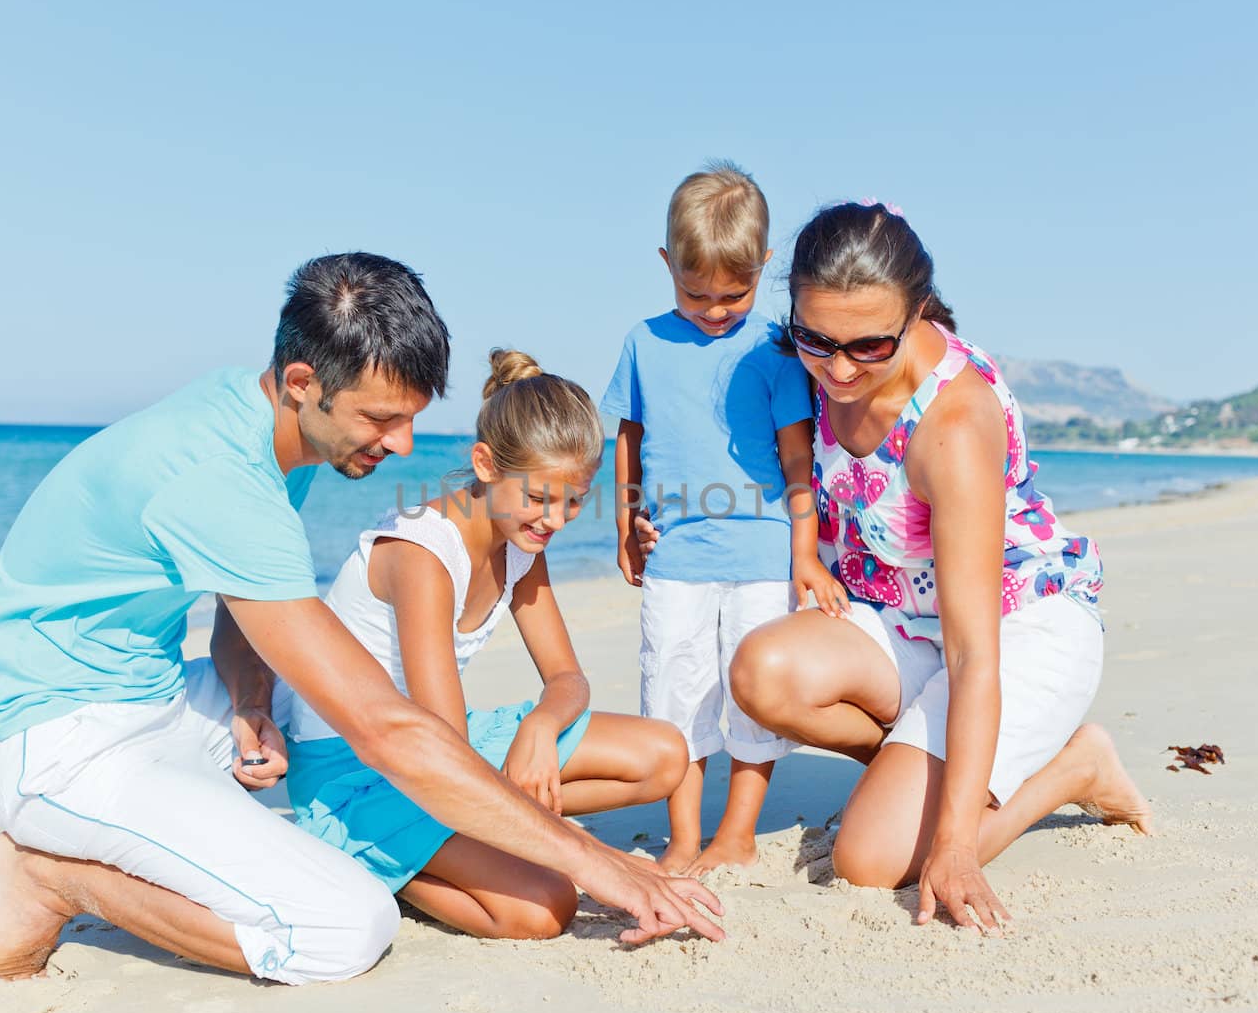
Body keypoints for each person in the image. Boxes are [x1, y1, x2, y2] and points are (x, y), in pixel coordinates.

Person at [0, 252, 723, 987]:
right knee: (345, 930)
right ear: (301, 381)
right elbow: (392, 727)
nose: (403, 442)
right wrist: (599, 864)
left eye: (412, 416)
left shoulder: (256, 426)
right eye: (382, 417)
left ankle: (328, 818)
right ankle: (49, 876)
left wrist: (251, 699)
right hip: (55, 739)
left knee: (318, 723)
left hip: (162, 693)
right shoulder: (222, 477)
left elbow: (235, 603)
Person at [716, 201, 1152, 932]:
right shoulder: (811, 360)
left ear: (917, 312)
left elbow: (974, 650)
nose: (841, 368)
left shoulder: (951, 423)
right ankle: (917, 770)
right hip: (902, 622)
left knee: (866, 859)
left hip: (1017, 628)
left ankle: (1078, 766)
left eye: (870, 346)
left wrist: (954, 847)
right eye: (817, 339)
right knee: (761, 672)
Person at [286, 349, 688, 939]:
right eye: (540, 498)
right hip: (357, 772)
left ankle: (462, 842)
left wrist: (541, 727)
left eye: (573, 501)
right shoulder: (423, 554)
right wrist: (586, 854)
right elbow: (441, 744)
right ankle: (369, 854)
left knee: (664, 754)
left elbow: (569, 679)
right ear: (485, 464)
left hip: (439, 744)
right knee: (543, 908)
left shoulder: (520, 540)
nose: (555, 520)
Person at [601, 163, 849, 876]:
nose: (714, 309)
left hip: (763, 554)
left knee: (750, 697)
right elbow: (630, 438)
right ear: (665, 264)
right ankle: (683, 836)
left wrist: (806, 555)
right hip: (677, 556)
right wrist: (625, 522)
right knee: (673, 694)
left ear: (764, 267)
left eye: (733, 294)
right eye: (695, 292)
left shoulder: (774, 348)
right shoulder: (644, 343)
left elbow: (797, 461)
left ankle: (736, 830)